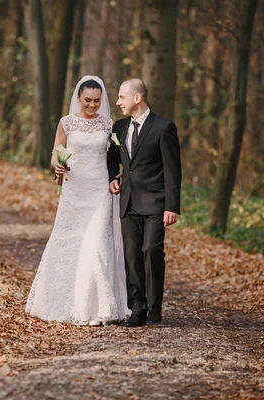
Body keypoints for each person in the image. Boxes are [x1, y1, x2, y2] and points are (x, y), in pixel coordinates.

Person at [25, 75, 129, 326]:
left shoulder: (108, 125)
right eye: (87, 101)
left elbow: (115, 156)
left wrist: (120, 174)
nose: (92, 105)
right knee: (68, 243)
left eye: (96, 101)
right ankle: (66, 303)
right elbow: (57, 152)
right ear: (78, 98)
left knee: (96, 244)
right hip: (74, 190)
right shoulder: (67, 123)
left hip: (99, 191)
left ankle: (100, 307)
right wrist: (58, 166)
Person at [107, 79, 182, 327]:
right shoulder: (118, 127)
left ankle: (154, 306)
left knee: (151, 250)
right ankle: (137, 308)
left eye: (121, 97)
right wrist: (112, 177)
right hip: (127, 201)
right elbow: (111, 157)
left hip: (155, 202)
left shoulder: (164, 128)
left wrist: (172, 206)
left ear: (137, 98)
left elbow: (173, 170)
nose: (118, 102)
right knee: (131, 256)